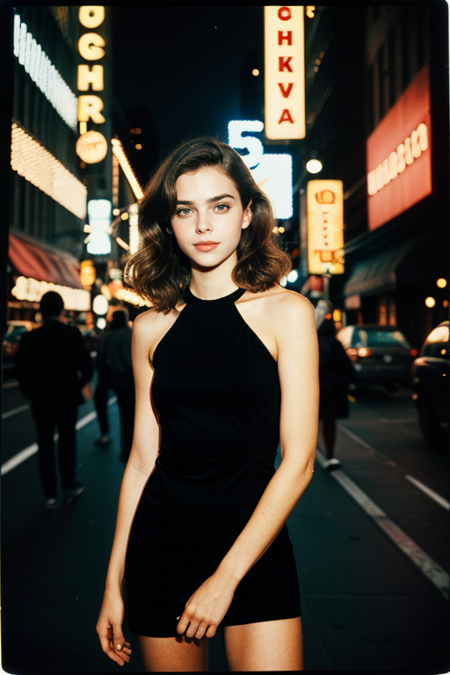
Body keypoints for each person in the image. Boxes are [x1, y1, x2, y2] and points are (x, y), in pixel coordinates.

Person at [96, 137, 319, 671]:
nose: (203, 225)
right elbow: (143, 462)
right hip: (161, 552)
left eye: (219, 207)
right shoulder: (149, 326)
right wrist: (113, 581)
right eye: (185, 210)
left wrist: (227, 576)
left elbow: (299, 462)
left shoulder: (286, 313)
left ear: (247, 214)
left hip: (254, 553)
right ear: (167, 223)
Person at [15, 291, 94, 508]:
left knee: (45, 443)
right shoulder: (72, 334)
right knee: (67, 442)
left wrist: (30, 392)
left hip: (41, 400)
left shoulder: (31, 338)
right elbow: (87, 367)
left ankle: (49, 493)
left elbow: (20, 371)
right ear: (62, 309)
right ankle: (68, 486)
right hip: (67, 398)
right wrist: (76, 386)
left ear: (41, 310)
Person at [316, 312, 356, 471]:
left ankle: (305, 455)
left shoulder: (311, 343)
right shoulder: (336, 344)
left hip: (314, 388)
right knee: (329, 422)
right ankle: (330, 455)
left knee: (310, 423)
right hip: (333, 388)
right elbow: (348, 368)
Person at [96, 310, 135, 461]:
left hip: (109, 377)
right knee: (127, 416)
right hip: (128, 379)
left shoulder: (108, 336)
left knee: (100, 400)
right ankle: (127, 448)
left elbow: (100, 358)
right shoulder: (131, 334)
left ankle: (104, 433)